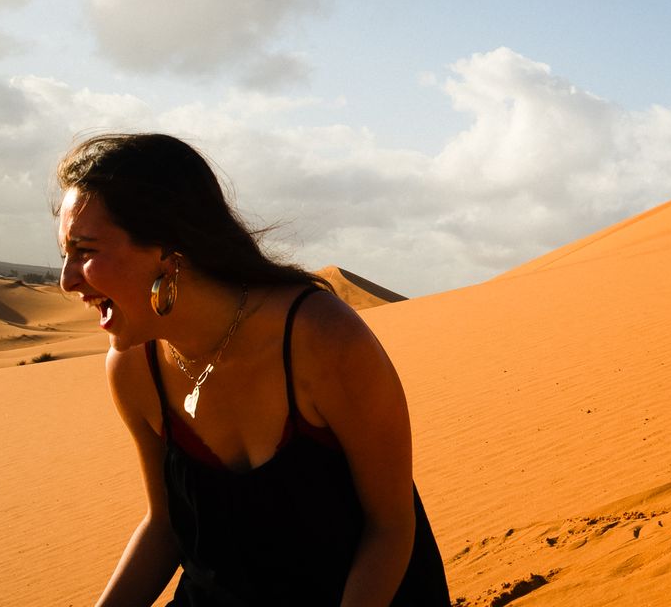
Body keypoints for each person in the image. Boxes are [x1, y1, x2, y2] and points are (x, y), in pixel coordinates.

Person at [54, 132, 451, 607]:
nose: (67, 281)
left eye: (85, 251)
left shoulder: (321, 338)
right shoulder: (134, 368)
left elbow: (389, 527)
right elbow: (165, 527)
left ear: (166, 246)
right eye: (64, 255)